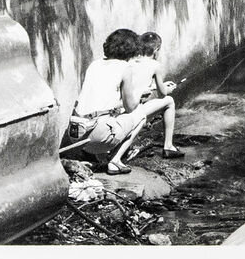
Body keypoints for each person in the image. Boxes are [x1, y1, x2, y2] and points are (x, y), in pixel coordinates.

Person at [63, 29, 176, 174]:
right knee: (140, 115)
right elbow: (131, 107)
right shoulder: (125, 68)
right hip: (97, 137)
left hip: (76, 136)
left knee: (109, 118)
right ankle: (115, 161)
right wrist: (141, 93)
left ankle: (102, 158)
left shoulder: (94, 65)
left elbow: (102, 99)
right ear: (132, 49)